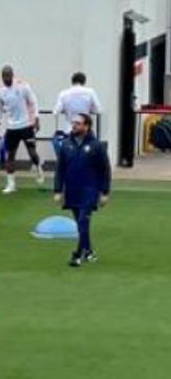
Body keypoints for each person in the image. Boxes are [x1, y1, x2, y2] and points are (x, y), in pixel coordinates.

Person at [54, 114, 112, 267]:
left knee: (82, 221)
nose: (74, 125)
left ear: (87, 126)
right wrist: (58, 190)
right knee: (81, 225)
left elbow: (105, 169)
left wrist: (105, 192)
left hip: (90, 190)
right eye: (73, 122)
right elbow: (60, 169)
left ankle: (77, 254)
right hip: (72, 191)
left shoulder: (97, 145)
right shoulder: (66, 145)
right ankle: (89, 251)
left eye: (78, 123)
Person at [0, 65, 44, 194]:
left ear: (12, 75)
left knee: (32, 153)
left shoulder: (23, 86)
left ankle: (38, 168)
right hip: (11, 127)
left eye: (8, 76)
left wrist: (36, 118)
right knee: (10, 155)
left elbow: (33, 101)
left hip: (26, 125)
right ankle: (11, 184)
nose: (6, 78)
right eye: (4, 76)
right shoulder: (0, 91)